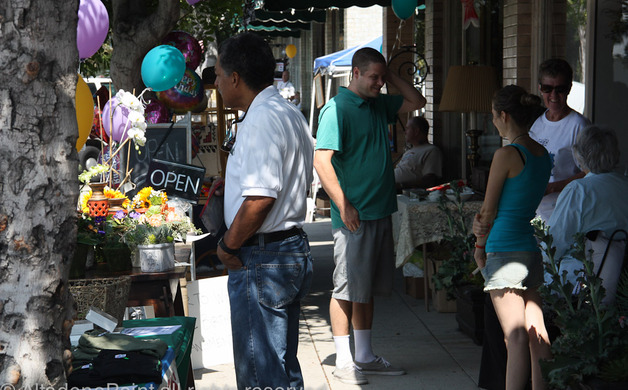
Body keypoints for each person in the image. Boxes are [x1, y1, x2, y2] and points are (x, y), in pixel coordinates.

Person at [313, 47, 426, 385]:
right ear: (356, 73)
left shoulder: (378, 102)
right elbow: (322, 161)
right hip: (354, 217)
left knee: (367, 290)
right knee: (346, 289)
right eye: (373, 77)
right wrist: (344, 205)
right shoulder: (337, 108)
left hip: (379, 210)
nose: (379, 83)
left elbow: (417, 101)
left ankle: (365, 355)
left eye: (381, 77)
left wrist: (390, 75)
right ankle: (345, 360)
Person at [213, 32, 314, 390]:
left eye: (218, 73)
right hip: (281, 250)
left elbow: (260, 199)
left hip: (264, 253)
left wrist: (227, 246)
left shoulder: (261, 119)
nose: (216, 81)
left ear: (236, 78)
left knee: (262, 373)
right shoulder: (284, 111)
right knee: (279, 368)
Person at [473, 85, 552, 390]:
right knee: (536, 331)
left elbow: (488, 211)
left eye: (493, 116)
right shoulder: (542, 154)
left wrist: (479, 246)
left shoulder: (507, 154)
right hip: (529, 250)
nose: (493, 121)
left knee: (515, 334)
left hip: (503, 251)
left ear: (504, 115)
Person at [546, 125, 628, 294]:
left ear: (580, 156)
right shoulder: (624, 185)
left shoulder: (578, 190)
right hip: (621, 283)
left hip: (581, 283)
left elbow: (554, 244)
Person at [529, 58, 591, 222]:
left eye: (560, 89)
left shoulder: (579, 126)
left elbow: (591, 173)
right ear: (540, 89)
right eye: (547, 88)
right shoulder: (536, 125)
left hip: (566, 213)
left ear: (569, 88)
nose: (553, 95)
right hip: (537, 213)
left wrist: (552, 187)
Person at [394, 116, 443, 189]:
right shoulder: (408, 151)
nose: (405, 132)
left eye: (407, 129)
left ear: (416, 131)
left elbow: (429, 180)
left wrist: (401, 185)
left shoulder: (431, 150)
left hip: (404, 193)